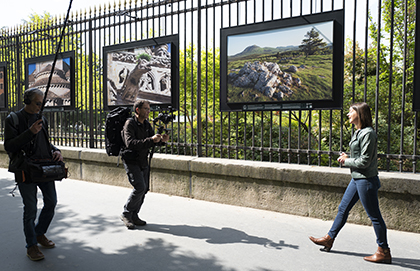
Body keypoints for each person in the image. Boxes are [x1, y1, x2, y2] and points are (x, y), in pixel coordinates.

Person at [309, 102, 391, 264]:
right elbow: (359, 155)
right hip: (357, 178)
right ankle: (329, 238)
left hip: (366, 180)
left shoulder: (368, 133)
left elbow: (365, 161)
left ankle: (384, 251)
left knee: (374, 217)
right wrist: (349, 156)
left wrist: (347, 160)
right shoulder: (359, 132)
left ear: (359, 113)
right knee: (342, 209)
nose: (348, 114)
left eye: (351, 111)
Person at [4, 88, 64, 261]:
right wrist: (30, 132)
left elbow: (45, 143)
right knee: (30, 209)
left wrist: (56, 150)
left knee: (51, 202)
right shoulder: (13, 119)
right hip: (25, 169)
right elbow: (9, 146)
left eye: (42, 103)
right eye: (38, 103)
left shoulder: (42, 119)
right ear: (27, 101)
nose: (41, 106)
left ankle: (39, 233)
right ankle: (31, 246)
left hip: (44, 168)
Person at [120, 100, 169, 229]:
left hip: (142, 160)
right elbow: (130, 143)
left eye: (149, 109)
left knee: (145, 189)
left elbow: (152, 141)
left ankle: (134, 215)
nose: (148, 111)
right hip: (131, 161)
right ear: (138, 110)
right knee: (140, 187)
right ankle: (126, 213)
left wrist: (161, 141)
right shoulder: (129, 124)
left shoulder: (146, 125)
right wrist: (151, 140)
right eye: (146, 109)